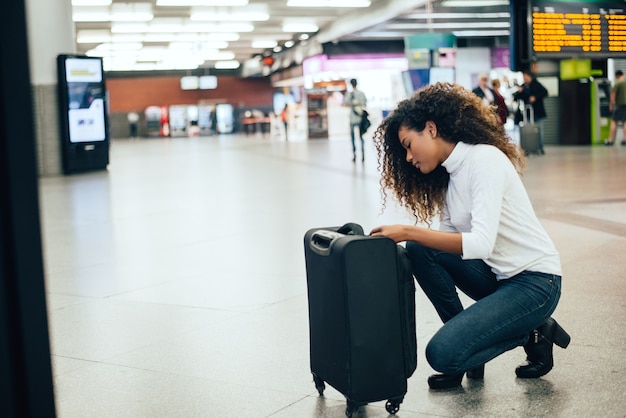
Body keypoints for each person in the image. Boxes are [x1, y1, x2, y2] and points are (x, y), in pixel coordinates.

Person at [370, 82, 570, 390]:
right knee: (421, 249)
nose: (408, 157)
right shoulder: (452, 177)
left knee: (441, 354)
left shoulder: (483, 160)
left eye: (409, 144)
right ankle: (470, 349)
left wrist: (409, 230)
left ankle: (535, 331)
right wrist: (410, 239)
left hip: (536, 283)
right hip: (499, 278)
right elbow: (446, 248)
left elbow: (480, 243)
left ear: (431, 129)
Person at [513, 70, 548, 154]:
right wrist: (519, 92)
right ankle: (529, 147)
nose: (525, 79)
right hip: (527, 113)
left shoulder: (537, 85)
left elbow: (545, 92)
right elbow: (516, 98)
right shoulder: (522, 87)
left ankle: (540, 147)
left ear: (530, 77)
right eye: (524, 78)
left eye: (526, 77)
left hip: (538, 113)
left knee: (539, 131)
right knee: (528, 131)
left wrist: (535, 97)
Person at [345, 78, 368, 162]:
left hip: (352, 118)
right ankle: (363, 154)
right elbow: (365, 103)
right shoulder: (361, 93)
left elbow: (346, 104)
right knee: (361, 137)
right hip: (360, 117)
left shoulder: (349, 94)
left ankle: (354, 155)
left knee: (353, 138)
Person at [605, 70, 626, 146]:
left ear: (617, 75)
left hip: (619, 105)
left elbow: (613, 94)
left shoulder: (618, 83)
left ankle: (610, 140)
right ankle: (625, 139)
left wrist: (611, 104)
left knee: (614, 121)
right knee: (625, 122)